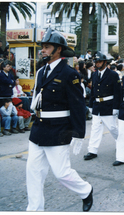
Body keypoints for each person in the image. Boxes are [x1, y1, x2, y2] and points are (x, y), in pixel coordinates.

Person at [26, 27, 93, 212]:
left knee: (61, 173)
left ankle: (86, 190)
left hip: (58, 130)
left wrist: (79, 134)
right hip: (39, 129)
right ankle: (34, 209)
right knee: (33, 173)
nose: (43, 50)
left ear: (58, 50)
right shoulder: (41, 71)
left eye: (47, 47)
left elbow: (78, 106)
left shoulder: (70, 73)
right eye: (43, 47)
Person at [83, 51, 120, 160]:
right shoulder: (94, 74)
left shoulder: (113, 74)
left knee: (112, 128)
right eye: (96, 61)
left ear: (105, 62)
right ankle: (92, 150)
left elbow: (117, 92)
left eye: (99, 61)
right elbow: (94, 90)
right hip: (97, 105)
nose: (97, 63)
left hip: (108, 105)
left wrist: (116, 107)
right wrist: (91, 105)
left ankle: (121, 141)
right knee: (95, 128)